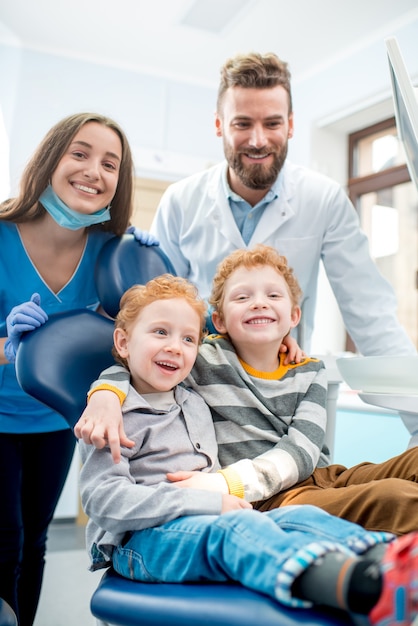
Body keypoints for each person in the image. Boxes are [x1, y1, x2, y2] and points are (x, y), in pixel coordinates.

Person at [78, 273, 418, 626]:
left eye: (189, 338)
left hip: (211, 516)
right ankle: (364, 587)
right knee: (238, 531)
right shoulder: (109, 420)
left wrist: (280, 339)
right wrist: (104, 393)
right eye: (160, 332)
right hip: (143, 540)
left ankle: (390, 561)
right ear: (122, 342)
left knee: (301, 519)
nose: (176, 347)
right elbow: (106, 502)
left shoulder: (192, 398)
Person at [148, 51, 417, 442]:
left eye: (272, 123)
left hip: (287, 398)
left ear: (290, 125)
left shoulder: (322, 199)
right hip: (199, 394)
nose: (258, 140)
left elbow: (370, 313)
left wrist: (416, 417)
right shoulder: (180, 200)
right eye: (242, 123)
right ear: (220, 125)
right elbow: (157, 309)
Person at [79, 245, 418, 538]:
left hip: (312, 475)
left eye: (273, 295)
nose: (259, 304)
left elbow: (303, 450)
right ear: (220, 320)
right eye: (242, 297)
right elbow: (140, 363)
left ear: (293, 315)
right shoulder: (202, 358)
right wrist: (106, 395)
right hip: (266, 502)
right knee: (396, 497)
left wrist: (225, 483)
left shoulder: (309, 370)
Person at [0, 112, 153, 626]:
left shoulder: (111, 258)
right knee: (4, 541)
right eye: (80, 153)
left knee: (35, 542)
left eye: (110, 163)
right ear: (50, 160)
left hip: (56, 420)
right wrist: (9, 347)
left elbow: (150, 337)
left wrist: (157, 279)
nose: (94, 170)